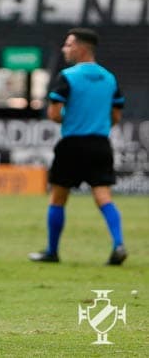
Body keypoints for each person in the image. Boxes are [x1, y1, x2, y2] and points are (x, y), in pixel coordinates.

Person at [29, 28, 127, 265]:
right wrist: (97, 119)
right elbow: (115, 115)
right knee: (104, 196)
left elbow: (54, 114)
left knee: (58, 198)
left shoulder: (68, 76)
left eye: (69, 44)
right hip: (100, 144)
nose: (65, 49)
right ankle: (118, 243)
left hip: (72, 144)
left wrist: (74, 118)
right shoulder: (109, 77)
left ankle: (52, 251)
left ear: (81, 48)